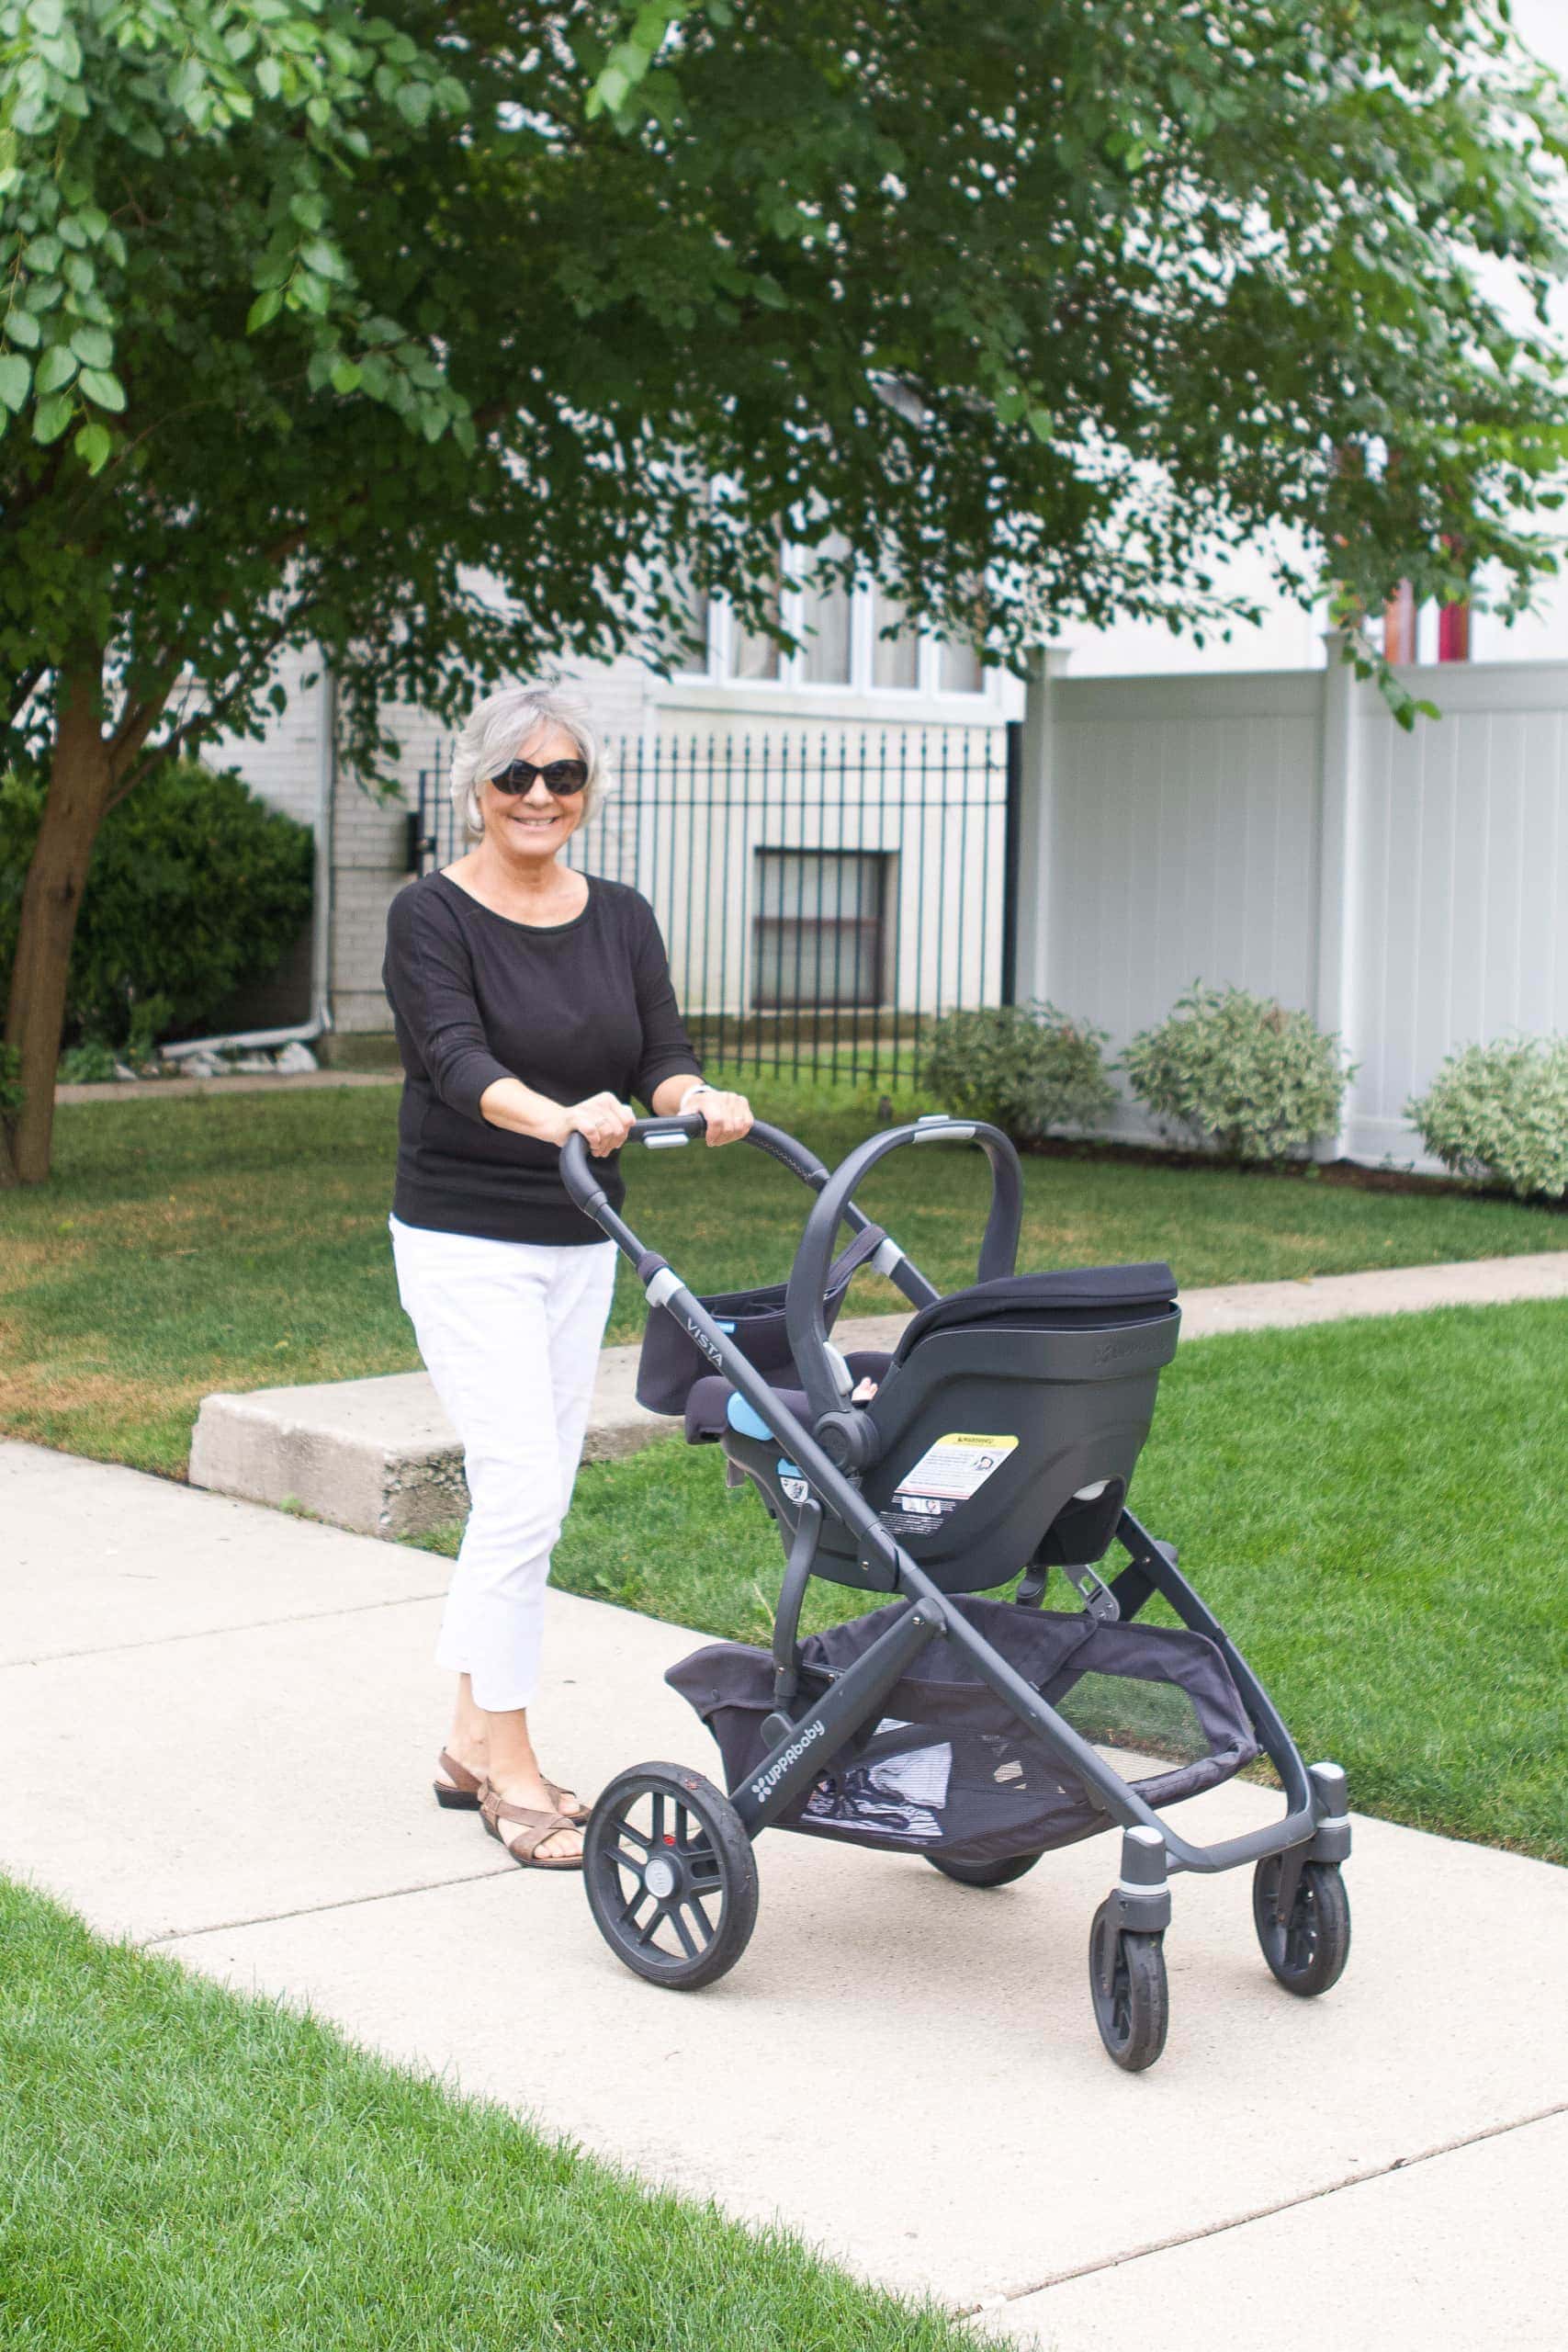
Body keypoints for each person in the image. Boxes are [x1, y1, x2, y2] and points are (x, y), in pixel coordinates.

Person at [382, 684, 752, 1869]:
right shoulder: (429, 915)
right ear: (477, 790)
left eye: (565, 776)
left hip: (580, 1243)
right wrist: (557, 1119)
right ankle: (512, 1770)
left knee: (523, 1496)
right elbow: (451, 1059)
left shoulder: (624, 915)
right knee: (526, 1487)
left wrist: (699, 1101)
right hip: (463, 1237)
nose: (540, 796)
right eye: (516, 777)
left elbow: (661, 1057)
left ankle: (459, 1741)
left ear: (587, 791)